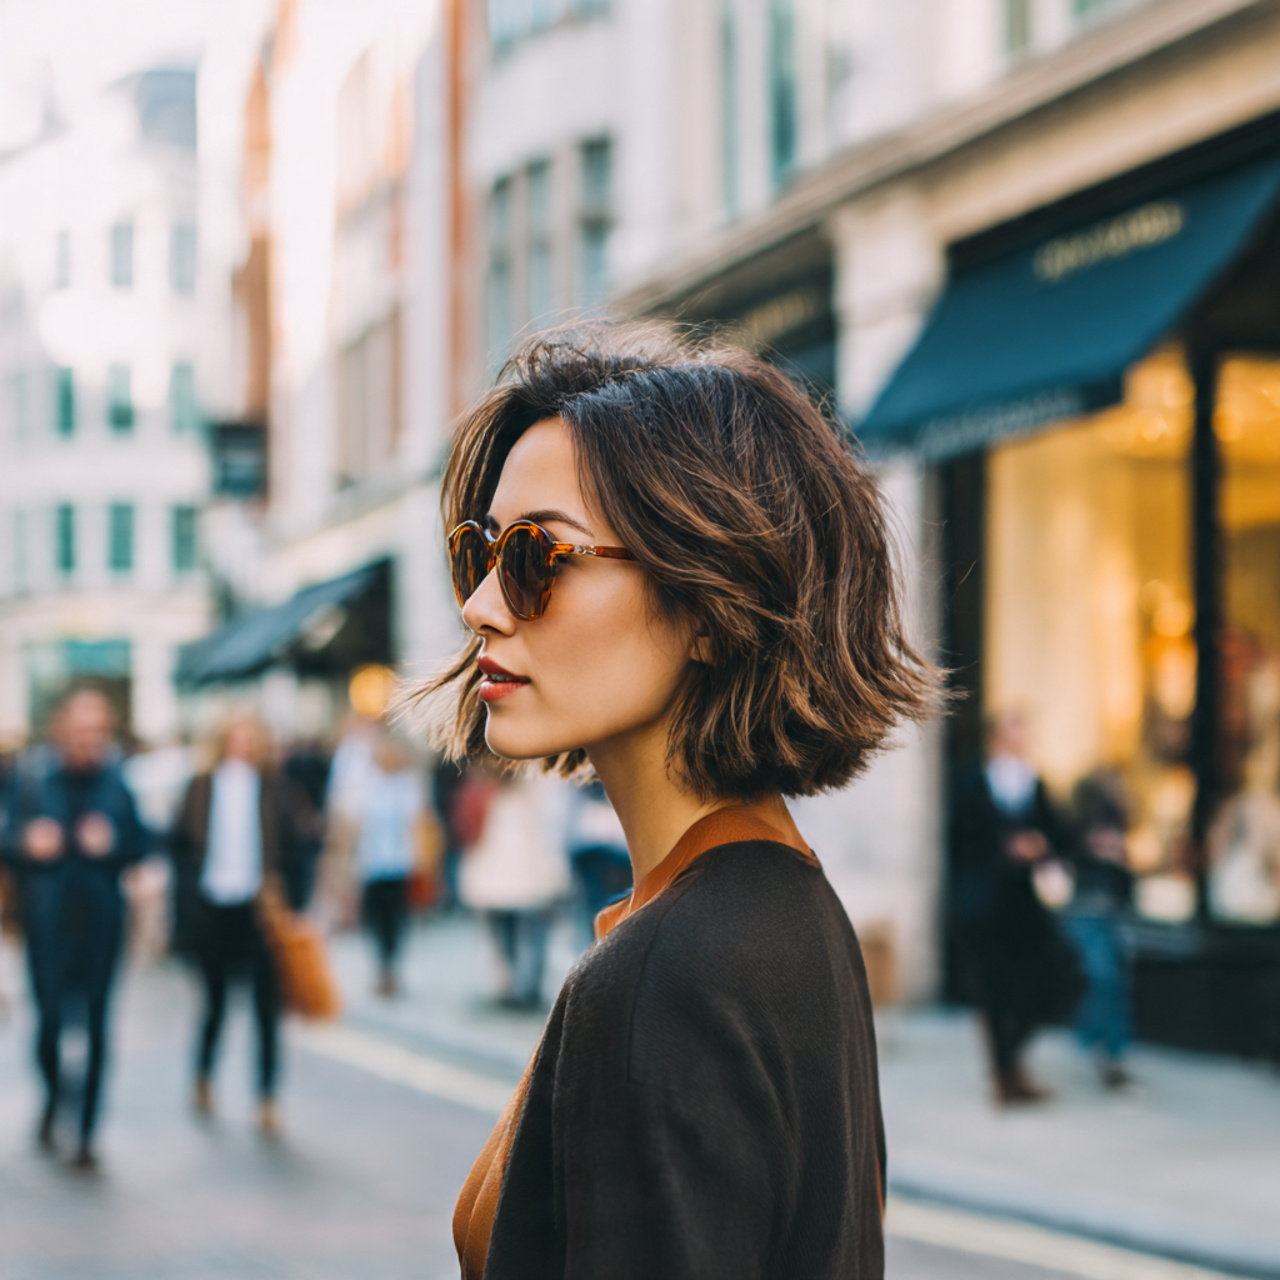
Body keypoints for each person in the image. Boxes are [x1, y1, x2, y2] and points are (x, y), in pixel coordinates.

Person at [416, 323, 938, 1279]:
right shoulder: (786, 906)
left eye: (537, 557)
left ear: (710, 601)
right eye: (480, 553)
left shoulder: (672, 975)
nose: (482, 603)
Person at [1, 688, 146, 1170]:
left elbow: (142, 843)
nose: (90, 740)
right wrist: (26, 841)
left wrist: (115, 842)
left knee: (100, 1028)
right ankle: (54, 1098)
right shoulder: (32, 779)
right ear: (61, 729)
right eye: (82, 730)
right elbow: (6, 839)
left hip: (103, 926)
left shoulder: (118, 782)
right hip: (48, 925)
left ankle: (86, 1131)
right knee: (47, 1027)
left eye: (98, 731)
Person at [950, 710, 1076, 1105]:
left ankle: (1014, 1062)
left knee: (1041, 983)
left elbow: (1059, 834)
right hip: (986, 906)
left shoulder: (1036, 785)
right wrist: (1004, 850)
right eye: (1012, 736)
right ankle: (1004, 1073)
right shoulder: (972, 783)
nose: (1019, 743)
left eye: (1024, 737)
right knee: (994, 989)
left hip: (1027, 907)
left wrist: (1040, 846)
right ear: (997, 739)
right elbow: (961, 841)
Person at [172, 716, 286, 1136]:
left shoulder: (272, 787)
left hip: (260, 911)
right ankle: (203, 1076)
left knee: (266, 1011)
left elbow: (293, 848)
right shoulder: (200, 786)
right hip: (212, 908)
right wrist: (183, 915)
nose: (242, 745)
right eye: (234, 737)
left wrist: (293, 903)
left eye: (249, 737)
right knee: (214, 1003)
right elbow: (180, 849)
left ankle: (267, 1095)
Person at [458, 769, 571, 1011]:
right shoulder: (489, 788)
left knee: (525, 931)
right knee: (511, 932)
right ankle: (515, 985)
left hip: (526, 874)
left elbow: (552, 826)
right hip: (502, 874)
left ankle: (524, 986)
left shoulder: (535, 786)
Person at [1065, 769, 1135, 1089]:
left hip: (1114, 918)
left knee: (1115, 982)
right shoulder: (1077, 834)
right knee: (1103, 977)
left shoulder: (1119, 833)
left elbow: (1126, 889)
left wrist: (1118, 862)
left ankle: (1105, 1047)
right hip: (1085, 916)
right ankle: (1101, 1046)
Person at [355, 733, 424, 996]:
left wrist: (419, 860)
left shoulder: (407, 785)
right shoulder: (367, 785)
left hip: (399, 863)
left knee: (396, 919)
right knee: (375, 919)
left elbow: (416, 823)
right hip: (372, 864)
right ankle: (381, 966)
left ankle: (391, 966)